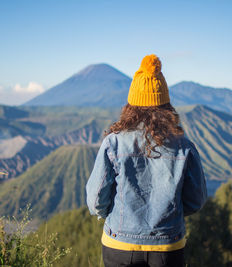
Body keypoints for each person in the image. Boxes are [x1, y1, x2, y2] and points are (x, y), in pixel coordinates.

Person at [86, 54, 207, 267]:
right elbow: (196, 200)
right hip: (168, 246)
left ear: (131, 104)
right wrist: (171, 215)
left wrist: (113, 216)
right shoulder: (184, 146)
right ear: (166, 105)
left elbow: (97, 199)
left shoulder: (113, 143)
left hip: (120, 244)